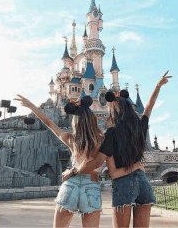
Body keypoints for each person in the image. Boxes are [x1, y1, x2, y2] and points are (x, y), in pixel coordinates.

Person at [14, 94, 145, 228]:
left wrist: (31, 106)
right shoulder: (103, 140)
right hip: (91, 186)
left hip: (70, 184)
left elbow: (49, 123)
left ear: (75, 122)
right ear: (93, 120)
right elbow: (101, 164)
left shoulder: (71, 139)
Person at [68, 71, 172, 228]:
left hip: (123, 184)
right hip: (143, 182)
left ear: (113, 110)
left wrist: (75, 169)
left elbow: (98, 163)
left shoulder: (112, 132)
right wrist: (158, 86)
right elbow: (149, 107)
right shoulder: (140, 125)